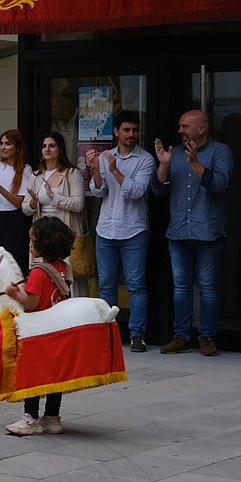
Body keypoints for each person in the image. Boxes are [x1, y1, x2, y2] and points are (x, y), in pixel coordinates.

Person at [151, 108, 234, 357]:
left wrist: (195, 163)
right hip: (178, 230)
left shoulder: (221, 151)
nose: (179, 130)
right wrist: (164, 165)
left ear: (202, 128)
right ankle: (181, 336)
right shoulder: (173, 153)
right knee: (181, 286)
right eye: (180, 126)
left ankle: (207, 337)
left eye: (184, 126)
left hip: (208, 229)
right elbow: (157, 190)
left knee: (208, 285)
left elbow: (220, 185)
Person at [87, 111, 155, 351]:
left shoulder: (145, 159)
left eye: (134, 130)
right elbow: (98, 191)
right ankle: (108, 333)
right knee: (106, 284)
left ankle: (138, 334)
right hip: (106, 229)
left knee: (136, 284)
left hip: (134, 230)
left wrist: (115, 170)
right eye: (126, 130)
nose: (131, 135)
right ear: (116, 132)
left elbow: (137, 191)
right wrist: (96, 168)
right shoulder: (106, 157)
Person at [5, 216, 77, 436]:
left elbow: (32, 302)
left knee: (33, 375)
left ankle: (30, 418)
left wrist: (15, 293)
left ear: (43, 244)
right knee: (55, 377)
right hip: (58, 330)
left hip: (38, 333)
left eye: (32, 240)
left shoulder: (38, 271)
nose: (29, 244)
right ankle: (52, 418)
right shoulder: (63, 268)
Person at [25, 132, 89, 295]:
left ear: (60, 149)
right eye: (44, 146)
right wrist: (33, 203)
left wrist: (55, 198)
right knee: (43, 274)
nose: (47, 149)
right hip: (41, 232)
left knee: (66, 275)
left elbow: (79, 204)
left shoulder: (72, 173)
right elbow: (25, 208)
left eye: (52, 145)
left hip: (64, 231)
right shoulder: (35, 175)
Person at [0, 129, 33, 279]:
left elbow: (20, 202)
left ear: (17, 148)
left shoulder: (25, 169)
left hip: (14, 220)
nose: (3, 147)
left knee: (13, 263)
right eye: (2, 143)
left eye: (8, 144)